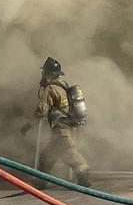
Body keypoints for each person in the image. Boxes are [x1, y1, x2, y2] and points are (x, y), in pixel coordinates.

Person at [22, 56, 91, 187]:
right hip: (67, 125)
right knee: (53, 153)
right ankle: (45, 180)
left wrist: (28, 125)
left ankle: (83, 174)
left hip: (60, 127)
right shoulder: (63, 85)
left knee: (62, 152)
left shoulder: (50, 88)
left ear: (46, 73)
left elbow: (41, 110)